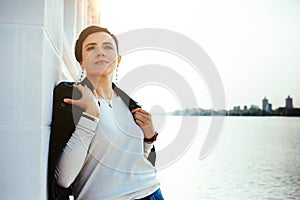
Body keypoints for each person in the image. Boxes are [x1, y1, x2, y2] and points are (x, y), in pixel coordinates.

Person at [47, 25, 164, 200]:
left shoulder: (131, 104)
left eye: (107, 47)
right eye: (91, 47)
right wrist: (90, 116)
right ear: (81, 61)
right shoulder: (71, 99)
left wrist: (148, 138)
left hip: (152, 192)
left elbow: (135, 164)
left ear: (118, 59)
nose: (100, 52)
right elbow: (63, 180)